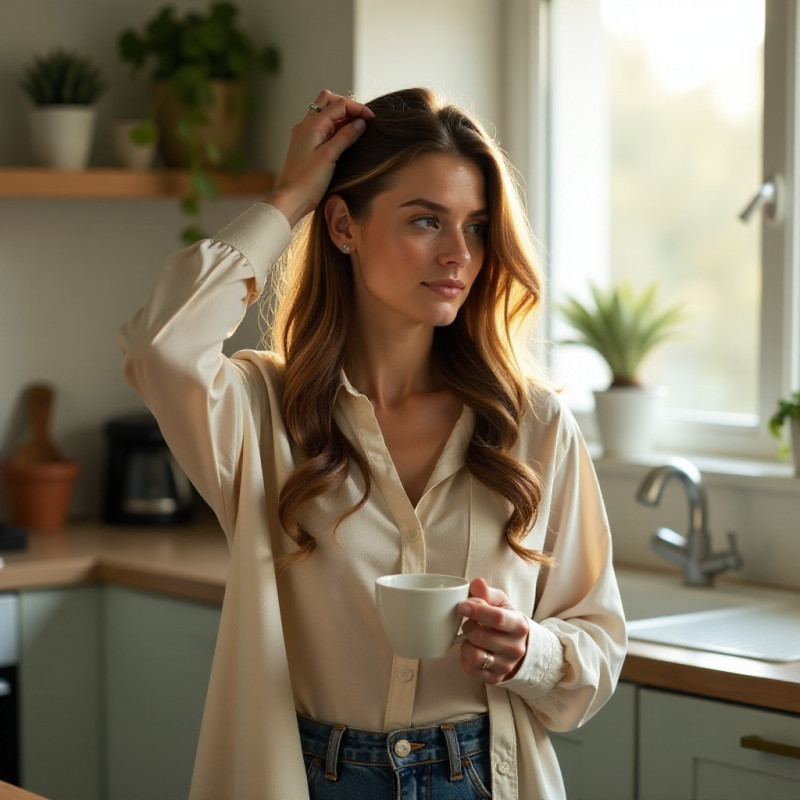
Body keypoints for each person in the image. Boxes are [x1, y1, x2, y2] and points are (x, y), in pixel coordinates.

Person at [119, 88, 626, 800]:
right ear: (343, 226)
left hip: (482, 777)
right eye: (426, 220)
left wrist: (529, 653)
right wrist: (289, 196)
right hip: (312, 779)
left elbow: (598, 643)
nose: (459, 254)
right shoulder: (265, 410)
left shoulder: (531, 424)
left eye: (477, 227)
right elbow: (161, 347)